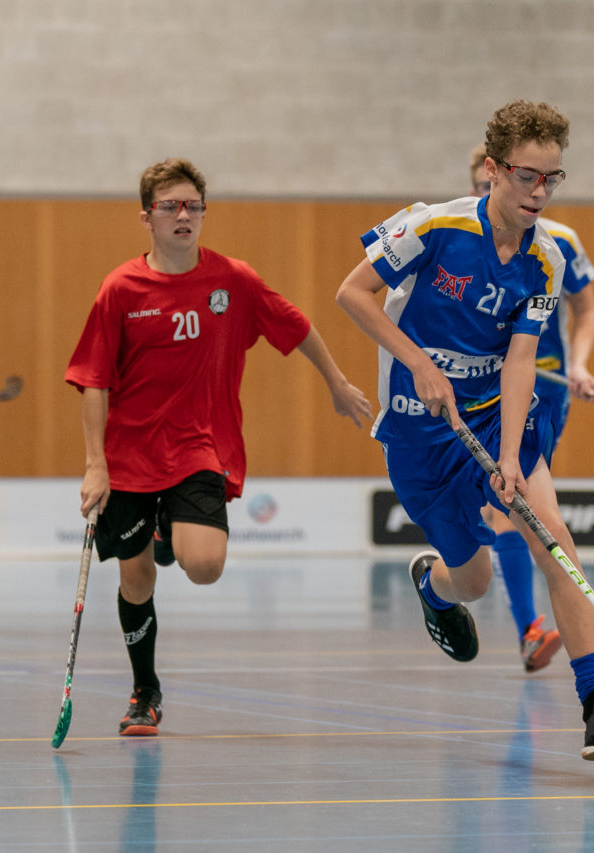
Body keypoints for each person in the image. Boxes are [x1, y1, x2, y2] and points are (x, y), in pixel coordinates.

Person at [337, 100, 594, 762]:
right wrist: (417, 361)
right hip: (419, 433)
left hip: (490, 415)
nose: (540, 192)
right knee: (471, 581)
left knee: (552, 535)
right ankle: (434, 586)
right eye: (527, 176)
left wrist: (509, 454)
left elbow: (519, 359)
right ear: (492, 169)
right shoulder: (433, 227)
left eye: (552, 178)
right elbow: (351, 293)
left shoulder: (548, 261)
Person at [66, 158, 372, 737]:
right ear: (147, 217)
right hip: (130, 456)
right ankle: (145, 691)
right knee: (137, 583)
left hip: (199, 446)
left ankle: (167, 533)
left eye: (193, 206)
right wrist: (94, 465)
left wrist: (336, 383)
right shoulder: (120, 289)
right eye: (170, 206)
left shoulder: (234, 281)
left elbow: (296, 324)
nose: (183, 215)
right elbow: (92, 380)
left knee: (204, 567)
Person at [468, 142, 594, 674]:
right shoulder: (457, 237)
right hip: (480, 393)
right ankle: (529, 627)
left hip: (543, 393)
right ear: (487, 181)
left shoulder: (558, 244)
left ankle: (535, 630)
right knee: (505, 504)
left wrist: (580, 364)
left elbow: (586, 312)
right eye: (481, 186)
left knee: (510, 502)